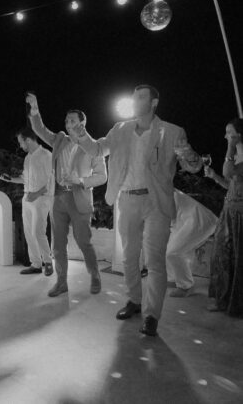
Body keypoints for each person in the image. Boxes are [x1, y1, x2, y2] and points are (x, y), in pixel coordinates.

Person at [70, 85, 202, 336]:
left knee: (154, 261)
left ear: (154, 102)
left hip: (156, 203)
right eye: (134, 97)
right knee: (129, 257)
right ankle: (134, 300)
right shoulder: (120, 129)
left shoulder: (172, 131)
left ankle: (152, 315)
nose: (135, 100)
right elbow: (98, 149)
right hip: (127, 200)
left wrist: (189, 155)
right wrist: (81, 134)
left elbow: (192, 166)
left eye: (141, 97)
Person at [26, 93, 107, 296]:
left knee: (84, 242)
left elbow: (102, 177)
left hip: (79, 198)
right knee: (58, 245)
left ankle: (95, 275)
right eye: (66, 120)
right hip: (58, 198)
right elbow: (40, 129)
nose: (68, 123)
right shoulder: (59, 140)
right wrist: (34, 109)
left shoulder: (94, 146)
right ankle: (61, 282)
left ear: (82, 123)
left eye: (72, 120)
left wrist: (81, 181)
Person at [204, 119, 243, 316]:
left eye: (229, 132)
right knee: (221, 256)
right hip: (229, 211)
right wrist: (214, 177)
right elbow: (230, 184)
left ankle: (234, 303)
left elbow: (228, 172)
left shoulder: (238, 155)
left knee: (236, 258)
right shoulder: (238, 156)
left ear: (239, 135)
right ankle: (223, 299)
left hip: (240, 215)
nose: (225, 136)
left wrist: (231, 145)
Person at [13, 128, 54, 277]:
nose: (20, 145)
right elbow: (25, 179)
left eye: (21, 142)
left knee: (38, 231)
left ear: (28, 140)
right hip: (28, 198)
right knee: (29, 233)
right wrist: (9, 179)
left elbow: (51, 181)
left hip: (41, 199)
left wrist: (35, 194)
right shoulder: (28, 158)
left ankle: (48, 262)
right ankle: (36, 264)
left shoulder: (46, 155)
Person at [166, 190, 217, 297]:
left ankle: (185, 287)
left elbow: (169, 212)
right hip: (186, 218)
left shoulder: (156, 189)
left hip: (200, 219)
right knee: (169, 249)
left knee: (173, 253)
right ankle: (174, 279)